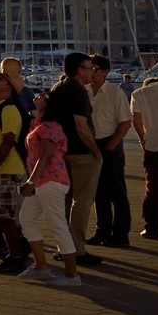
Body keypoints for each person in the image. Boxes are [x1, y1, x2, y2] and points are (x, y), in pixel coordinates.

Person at [42, 51, 104, 266]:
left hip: (61, 153)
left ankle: (65, 247)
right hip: (80, 153)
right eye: (90, 68)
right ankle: (77, 248)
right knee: (82, 202)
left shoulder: (58, 88)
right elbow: (81, 125)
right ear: (80, 70)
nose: (93, 72)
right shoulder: (78, 92)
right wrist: (96, 151)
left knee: (65, 201)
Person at [17, 92, 82, 285]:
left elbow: (45, 156)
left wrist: (30, 181)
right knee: (26, 218)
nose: (37, 97)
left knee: (57, 225)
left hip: (50, 180)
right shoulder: (38, 124)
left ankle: (72, 274)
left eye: (41, 97)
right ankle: (41, 266)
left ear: (47, 106)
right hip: (43, 181)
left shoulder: (49, 127)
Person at [0, 56, 36, 256]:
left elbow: (9, 139)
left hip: (8, 170)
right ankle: (18, 240)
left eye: (1, 78)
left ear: (8, 88)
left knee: (6, 216)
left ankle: (15, 254)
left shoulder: (8, 108)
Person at [87, 54, 132, 246]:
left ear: (105, 72)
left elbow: (125, 122)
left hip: (110, 143)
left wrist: (112, 145)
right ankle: (102, 231)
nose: (92, 74)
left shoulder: (115, 93)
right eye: (90, 70)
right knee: (99, 192)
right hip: (90, 144)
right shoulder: (85, 91)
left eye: (95, 70)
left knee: (117, 192)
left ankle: (121, 234)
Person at [131, 76, 158, 239]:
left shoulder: (138, 94)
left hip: (153, 143)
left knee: (153, 186)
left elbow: (136, 119)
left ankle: (152, 228)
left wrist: (142, 139)